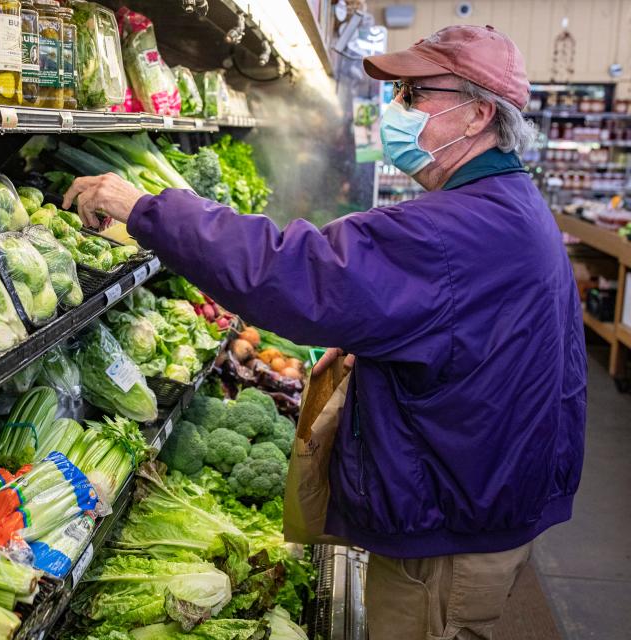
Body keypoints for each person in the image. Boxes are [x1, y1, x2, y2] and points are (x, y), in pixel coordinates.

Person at [63, 24, 587, 640]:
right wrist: (392, 339)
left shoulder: (450, 232)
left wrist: (146, 207)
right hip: (479, 495)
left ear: (475, 116)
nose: (397, 111)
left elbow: (293, 271)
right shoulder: (508, 205)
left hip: (450, 534)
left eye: (414, 96)